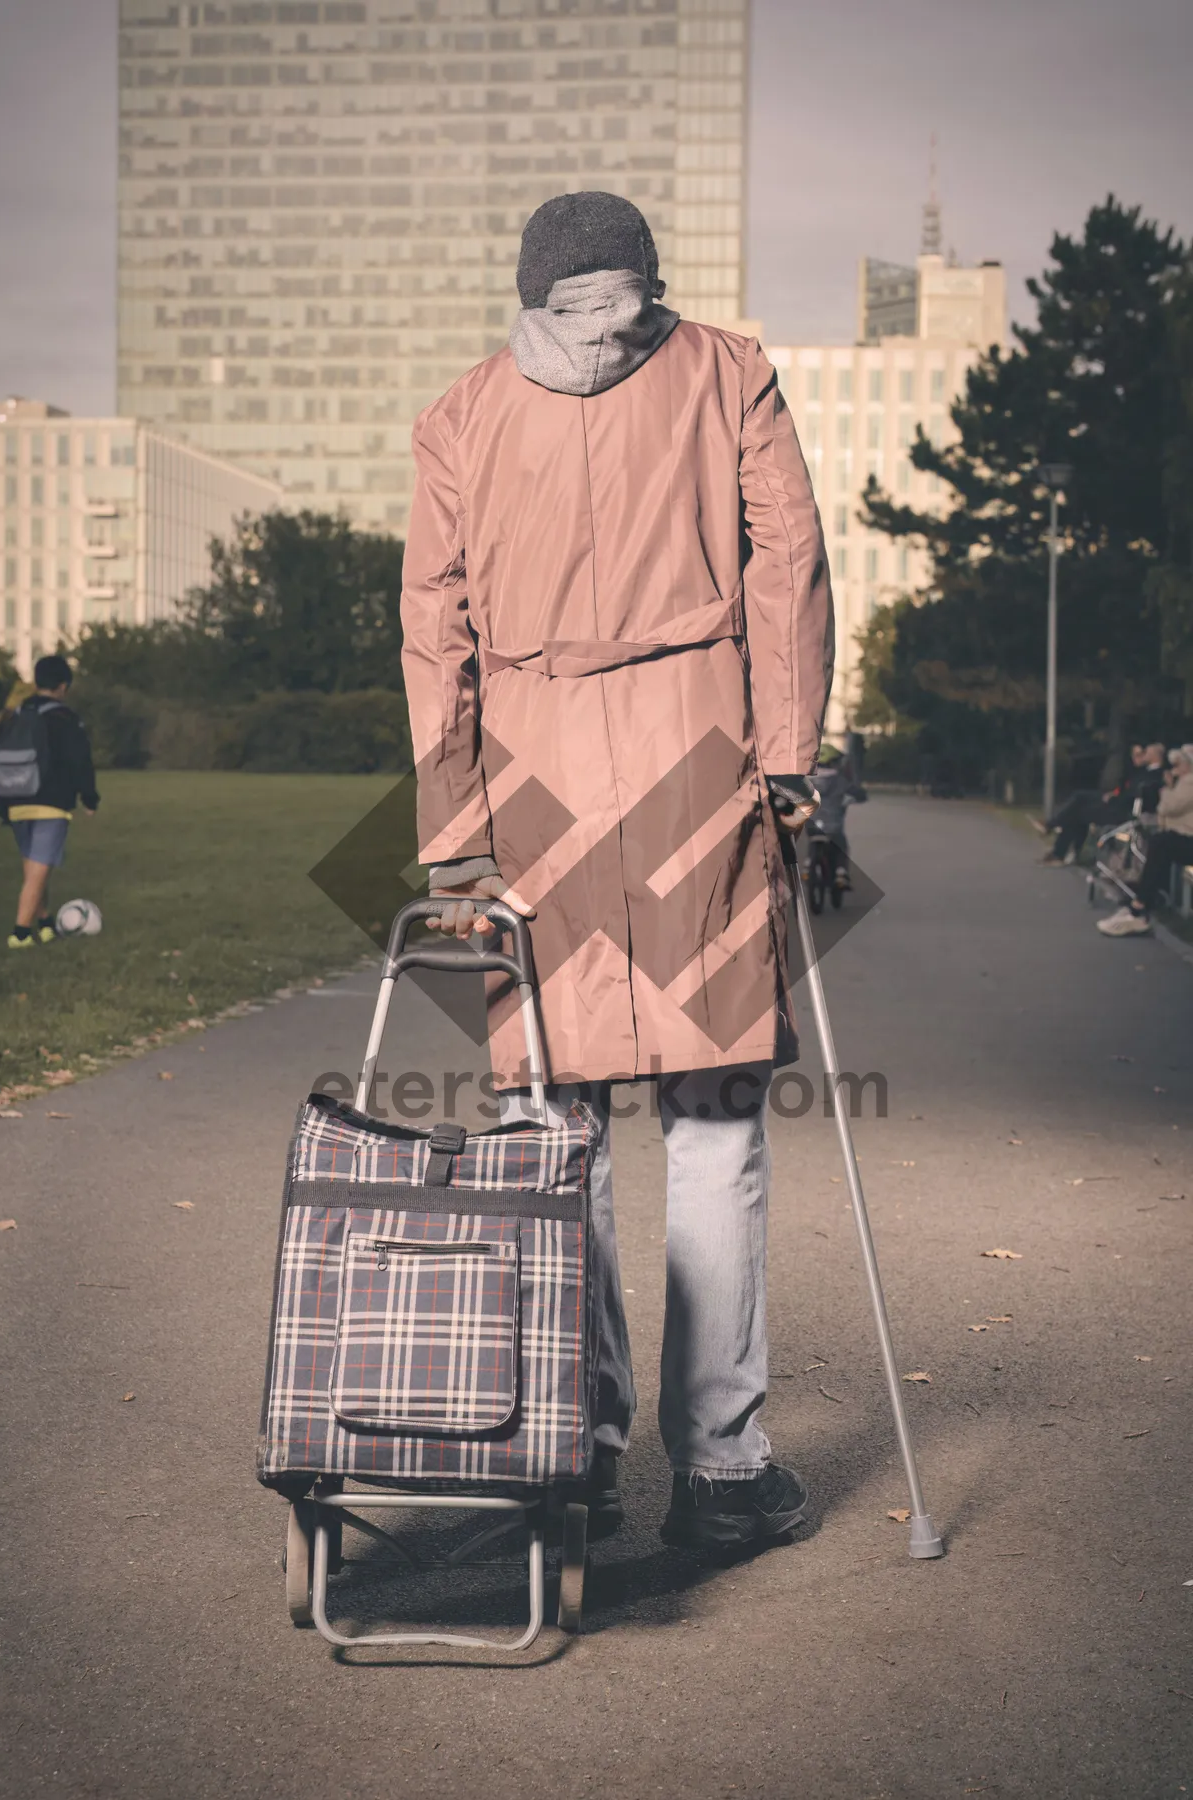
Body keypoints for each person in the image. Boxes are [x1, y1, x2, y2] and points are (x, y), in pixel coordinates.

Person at [400, 191, 833, 1554]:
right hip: (700, 754)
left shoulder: (463, 413)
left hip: (532, 782)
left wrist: (452, 826)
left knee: (555, 1128)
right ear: (644, 276)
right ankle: (718, 1468)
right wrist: (790, 755)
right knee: (712, 1126)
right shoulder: (727, 370)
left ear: (533, 287)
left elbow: (434, 625)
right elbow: (791, 566)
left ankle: (575, 1454)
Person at [0, 653, 98, 948]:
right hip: (50, 802)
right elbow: (81, 762)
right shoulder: (65, 719)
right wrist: (89, 798)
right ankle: (21, 934)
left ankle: (45, 924)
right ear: (63, 686)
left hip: (14, 800)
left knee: (35, 869)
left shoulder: (14, 715)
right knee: (38, 872)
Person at [1097, 745, 1193, 936]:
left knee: (1161, 844)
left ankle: (1139, 907)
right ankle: (1140, 903)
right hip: (1181, 836)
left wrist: (1167, 788)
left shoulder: (1189, 783)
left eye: (1178, 765)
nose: (1173, 769)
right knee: (1160, 843)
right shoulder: (1184, 782)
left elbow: (1167, 808)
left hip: (1187, 838)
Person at [1034, 742, 1166, 864]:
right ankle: (1057, 842)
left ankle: (1057, 845)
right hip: (1118, 802)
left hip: (1123, 811)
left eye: (1146, 753)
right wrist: (1115, 794)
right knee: (1080, 797)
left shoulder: (1156, 776)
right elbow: (1126, 784)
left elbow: (1135, 795)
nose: (1144, 755)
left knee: (1078, 813)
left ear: (1155, 756)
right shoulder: (1143, 771)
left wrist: (1114, 798)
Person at [805, 740, 867, 891]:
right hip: (833, 826)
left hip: (811, 824)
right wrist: (860, 796)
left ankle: (807, 866)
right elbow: (858, 793)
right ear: (834, 762)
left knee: (812, 840)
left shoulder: (805, 780)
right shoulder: (840, 780)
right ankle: (841, 873)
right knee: (840, 844)